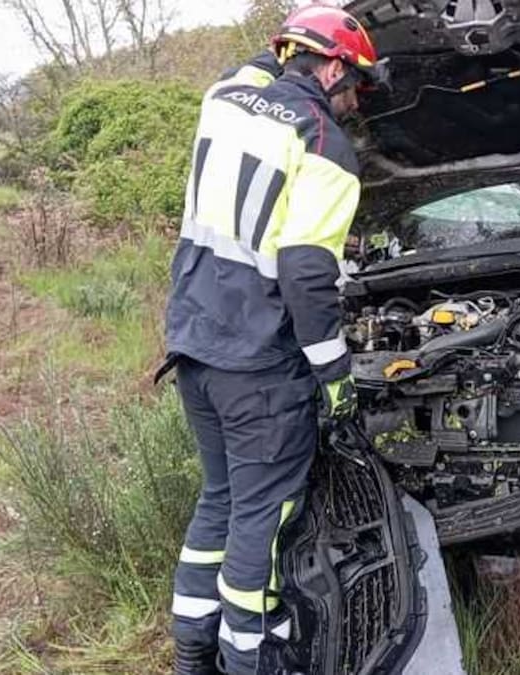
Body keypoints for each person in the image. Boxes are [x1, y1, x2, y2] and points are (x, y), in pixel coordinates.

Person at [160, 5, 386, 673]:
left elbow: (260, 68)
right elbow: (307, 270)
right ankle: (250, 659)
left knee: (221, 497)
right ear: (336, 66)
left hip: (195, 344)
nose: (355, 104)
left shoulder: (224, 96)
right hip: (259, 364)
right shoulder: (325, 144)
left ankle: (191, 652)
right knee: (262, 514)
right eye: (356, 88)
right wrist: (337, 374)